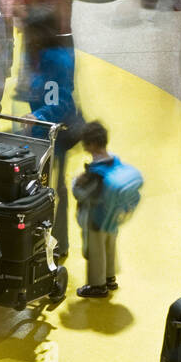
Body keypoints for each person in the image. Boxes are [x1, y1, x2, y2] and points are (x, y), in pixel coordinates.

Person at [71, 120, 141, 298]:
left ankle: (97, 285)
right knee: (110, 246)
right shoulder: (115, 161)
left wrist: (75, 181)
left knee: (96, 251)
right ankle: (110, 278)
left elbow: (79, 193)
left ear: (92, 145)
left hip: (97, 218)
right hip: (114, 215)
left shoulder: (95, 173)